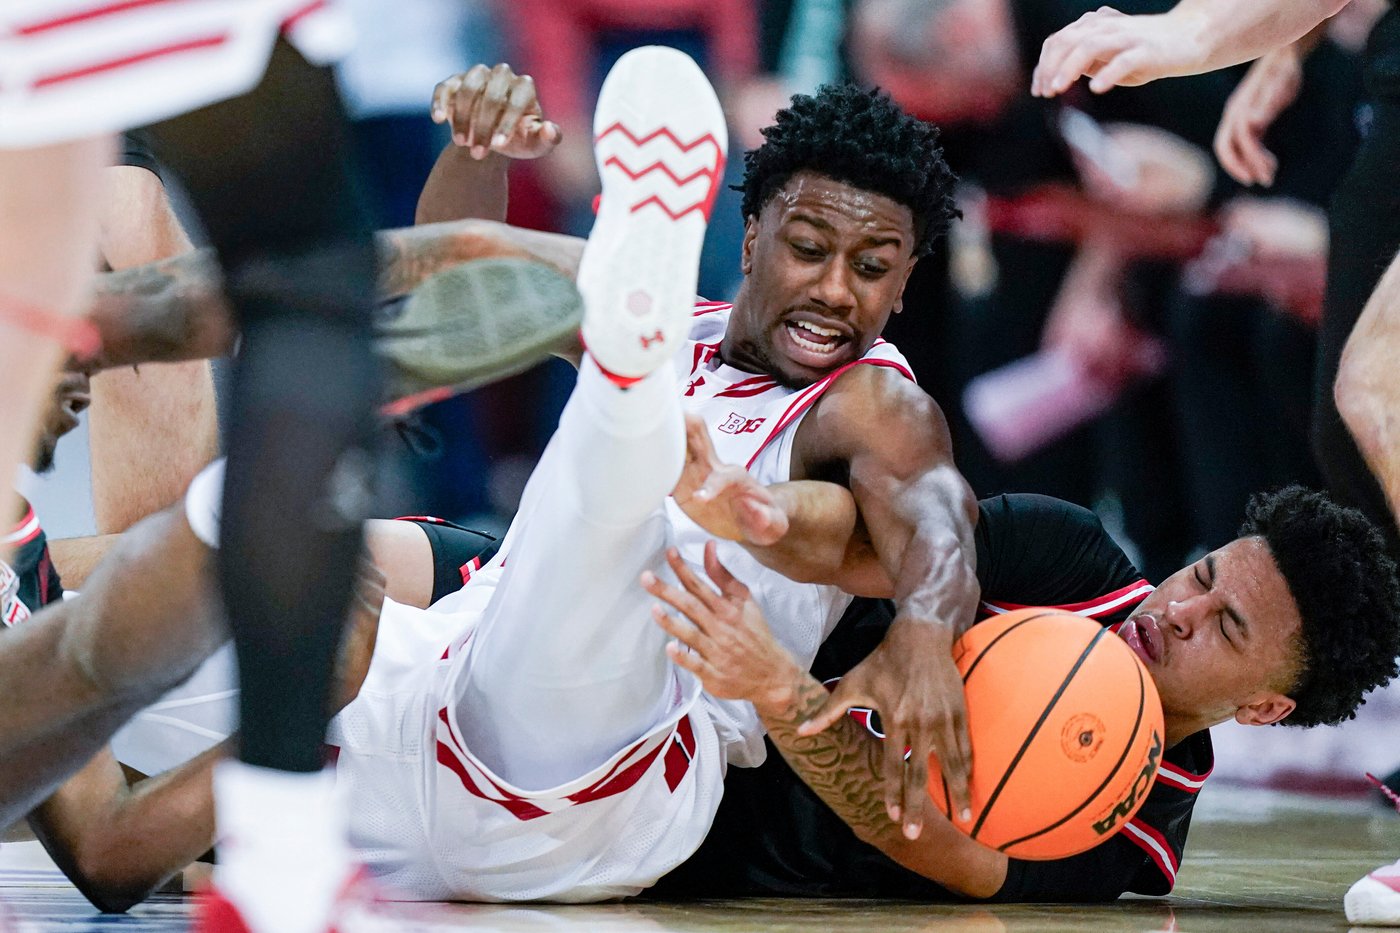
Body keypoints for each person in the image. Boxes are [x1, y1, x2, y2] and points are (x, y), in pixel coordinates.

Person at [641, 456, 1400, 901]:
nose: (1178, 612)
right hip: (687, 649)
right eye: (1200, 576)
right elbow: (868, 543)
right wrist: (753, 507)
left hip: (688, 842)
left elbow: (923, 839)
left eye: (1225, 627)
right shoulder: (1071, 553)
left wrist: (780, 690)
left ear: (1263, 708)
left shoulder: (1137, 831)